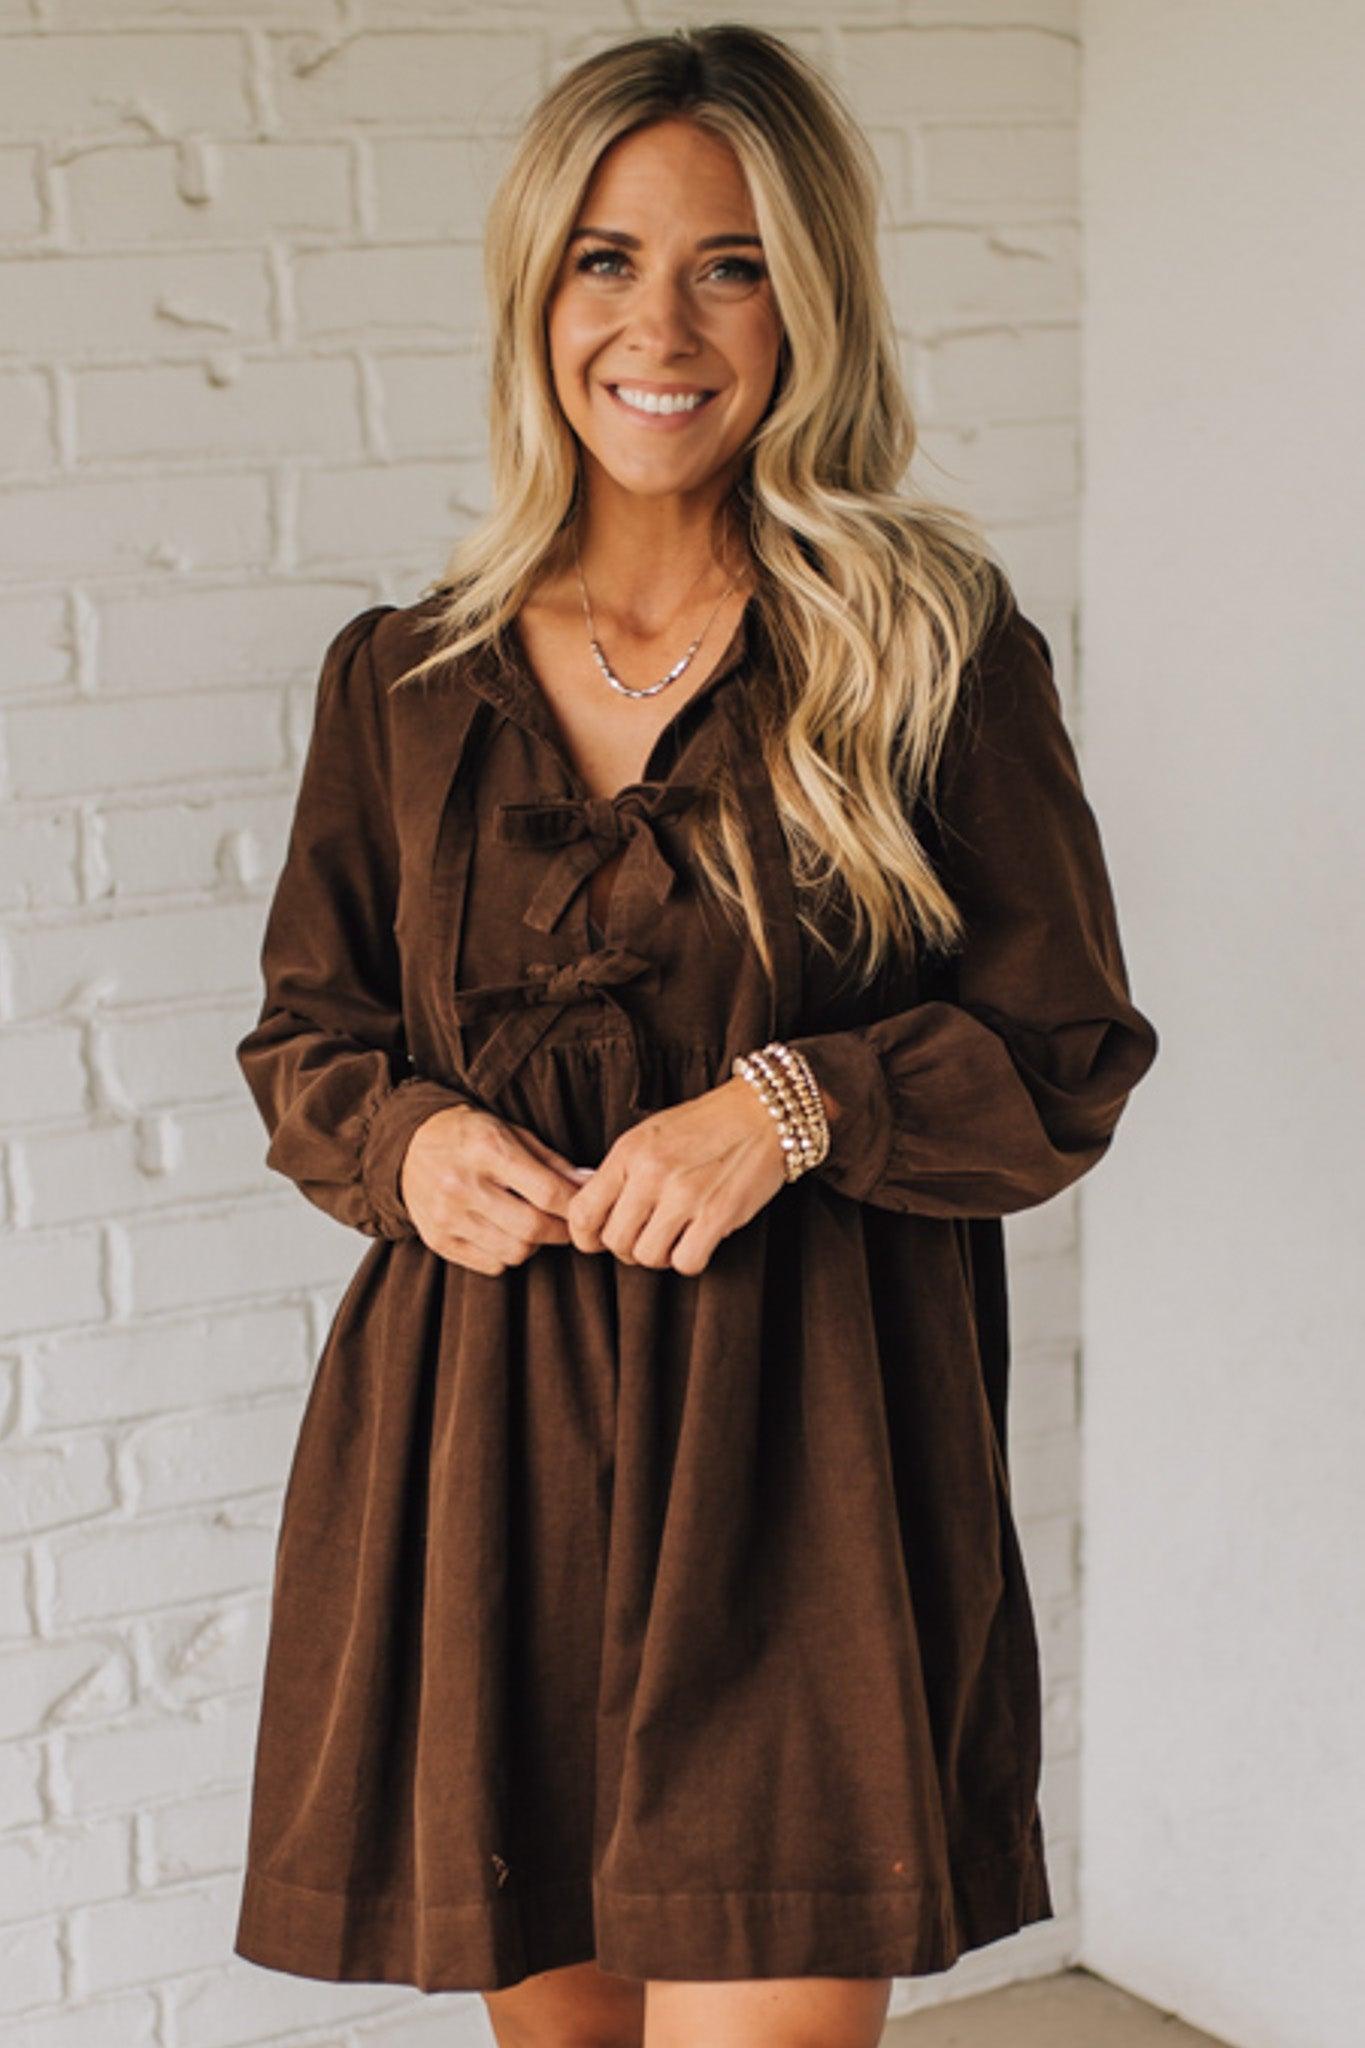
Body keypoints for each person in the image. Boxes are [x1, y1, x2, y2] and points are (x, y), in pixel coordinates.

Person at [230, 24, 1159, 2048]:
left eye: (726, 262)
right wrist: (402, 1146)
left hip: (803, 1473)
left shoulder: (925, 645)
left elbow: (1062, 1046)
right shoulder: (400, 680)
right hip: (475, 1456)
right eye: (602, 258)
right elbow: (309, 1032)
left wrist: (794, 1102)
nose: (659, 321)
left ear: (805, 297)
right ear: (531, 291)